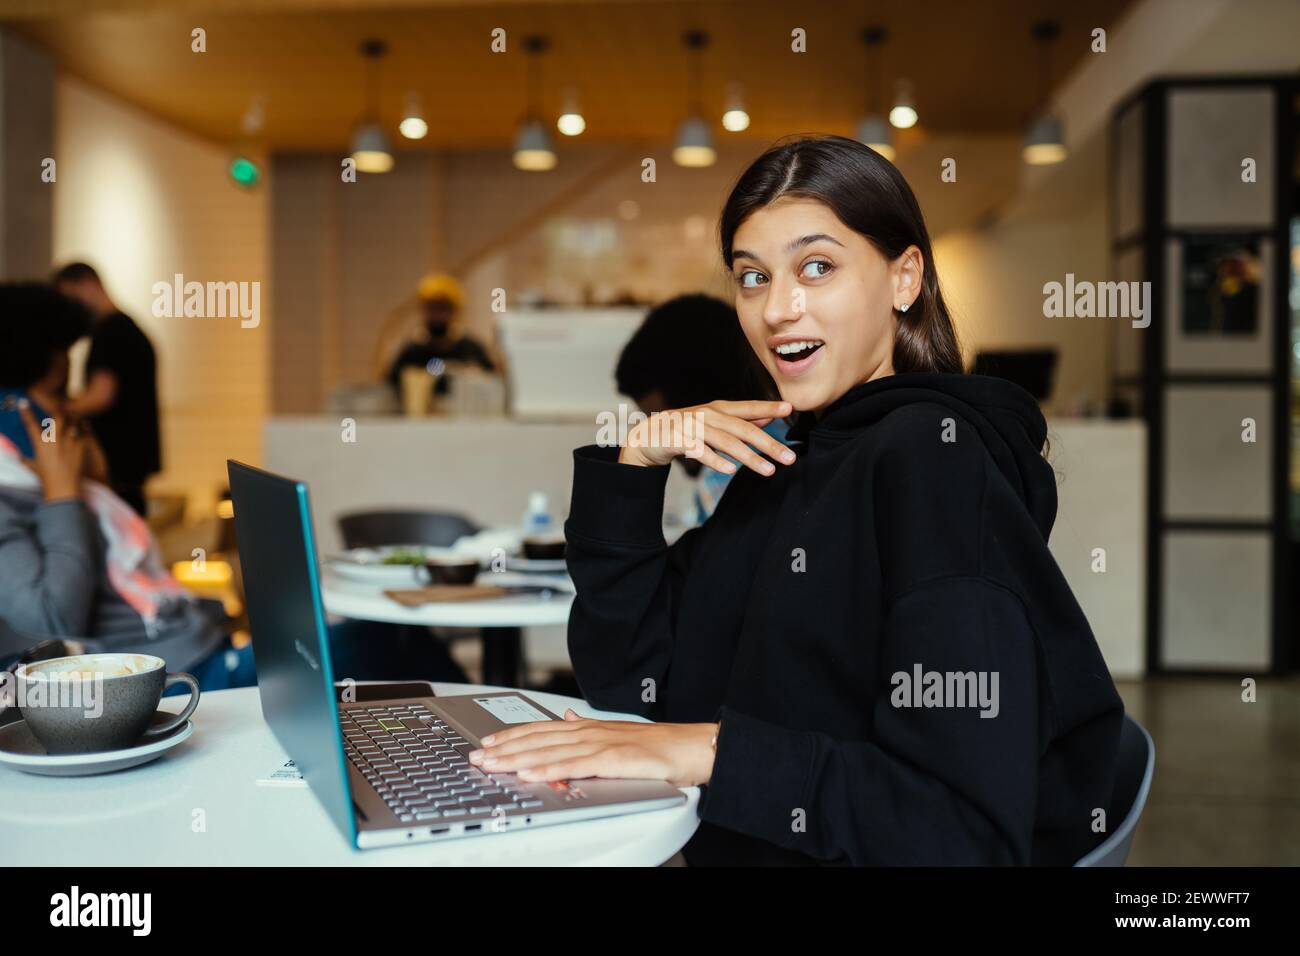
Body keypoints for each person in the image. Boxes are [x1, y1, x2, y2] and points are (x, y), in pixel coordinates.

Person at [466, 135, 1125, 866]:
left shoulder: (933, 464)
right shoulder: (793, 452)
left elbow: (957, 829)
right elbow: (635, 682)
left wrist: (703, 751)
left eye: (817, 266)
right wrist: (635, 464)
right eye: (752, 278)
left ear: (905, 278)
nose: (779, 308)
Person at [0, 283, 251, 690]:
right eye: (56, 397)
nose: (64, 418)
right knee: (363, 646)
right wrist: (62, 497)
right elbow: (56, 617)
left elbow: (98, 474)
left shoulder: (71, 481)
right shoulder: (13, 493)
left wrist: (74, 476)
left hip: (195, 645)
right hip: (169, 680)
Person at [615, 293, 787, 521]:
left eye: (667, 422)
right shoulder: (795, 432)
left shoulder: (724, 473)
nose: (661, 440)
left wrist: (634, 462)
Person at [53, 262, 160, 517]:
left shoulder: (111, 332)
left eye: (71, 298)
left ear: (87, 285)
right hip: (129, 470)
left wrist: (52, 410)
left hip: (116, 470)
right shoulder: (128, 328)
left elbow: (100, 396)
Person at [386, 273, 495, 397]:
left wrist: (476, 375)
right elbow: (390, 385)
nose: (438, 315)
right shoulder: (412, 350)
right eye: (432, 308)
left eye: (443, 308)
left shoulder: (471, 348)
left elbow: (492, 379)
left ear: (455, 311)